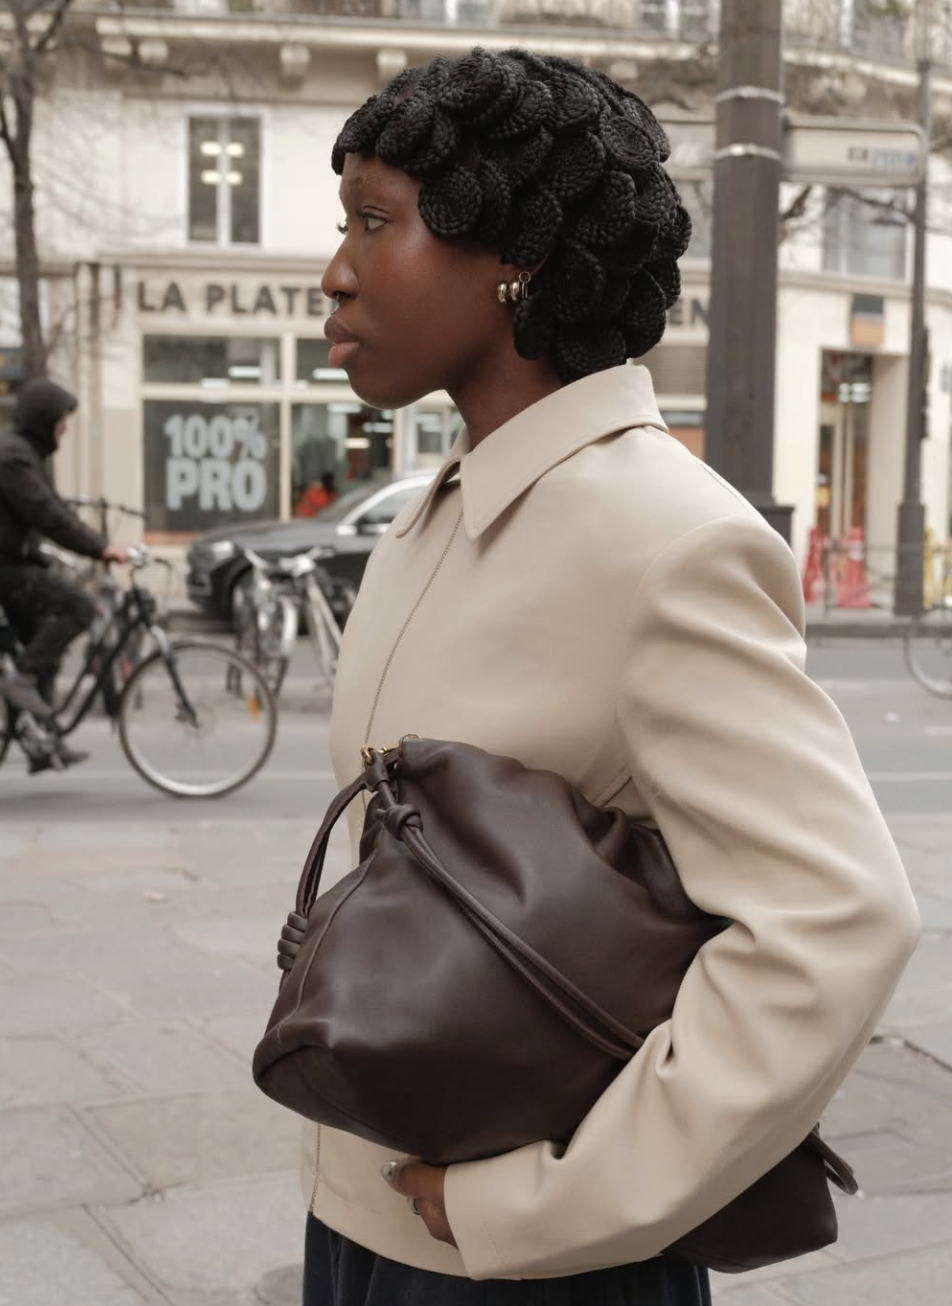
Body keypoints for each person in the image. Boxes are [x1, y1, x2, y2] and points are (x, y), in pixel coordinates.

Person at [301, 47, 920, 1305]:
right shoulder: (443, 509)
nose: (337, 268)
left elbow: (835, 925)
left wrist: (547, 1201)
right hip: (361, 1211)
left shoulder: (660, 535)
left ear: (513, 256)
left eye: (377, 220)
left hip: (533, 1270)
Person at [0, 379, 129, 754]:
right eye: (61, 420)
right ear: (44, 420)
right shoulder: (14, 457)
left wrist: (87, 547)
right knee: (80, 608)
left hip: (13, 563)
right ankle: (21, 682)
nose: (65, 427)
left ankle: (42, 741)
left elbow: (54, 510)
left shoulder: (25, 454)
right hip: (5, 571)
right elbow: (47, 515)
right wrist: (102, 548)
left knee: (43, 650)